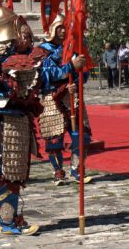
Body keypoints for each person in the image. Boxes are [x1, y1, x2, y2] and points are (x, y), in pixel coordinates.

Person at [0, 4, 40, 235]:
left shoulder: (23, 56)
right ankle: (4, 222)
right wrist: (10, 87)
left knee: (15, 169)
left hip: (20, 119)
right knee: (3, 167)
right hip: (5, 120)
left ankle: (11, 218)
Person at [36, 15, 91, 184]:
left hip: (72, 96)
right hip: (51, 97)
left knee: (81, 135)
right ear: (52, 30)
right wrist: (69, 67)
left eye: (64, 27)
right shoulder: (42, 51)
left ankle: (77, 169)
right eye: (59, 27)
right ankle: (58, 171)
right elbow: (46, 75)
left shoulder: (73, 49)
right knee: (54, 139)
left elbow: (84, 72)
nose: (62, 31)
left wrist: (76, 82)